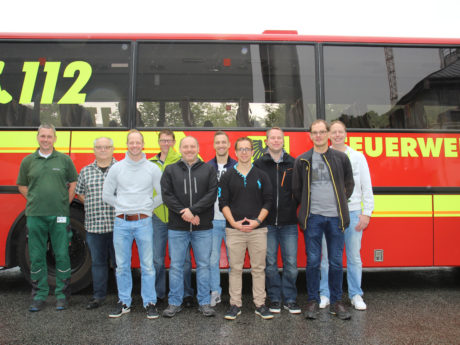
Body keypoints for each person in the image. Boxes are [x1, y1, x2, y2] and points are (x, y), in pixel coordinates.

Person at [292, 119, 354, 320]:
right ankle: (312, 300)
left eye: (321, 132)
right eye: (314, 133)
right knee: (312, 261)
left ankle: (337, 301)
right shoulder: (302, 160)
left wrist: (340, 202)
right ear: (309, 136)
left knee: (336, 262)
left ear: (328, 134)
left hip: (336, 218)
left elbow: (349, 184)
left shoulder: (341, 158)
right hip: (313, 218)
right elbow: (296, 190)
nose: (318, 136)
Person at [17, 123, 78, 312]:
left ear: (55, 139)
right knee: (36, 256)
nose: (45, 139)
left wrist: (63, 204)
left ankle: (62, 296)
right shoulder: (28, 161)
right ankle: (39, 295)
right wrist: (35, 200)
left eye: (49, 136)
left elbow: (74, 184)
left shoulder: (64, 160)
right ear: (37, 137)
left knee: (61, 255)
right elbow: (22, 186)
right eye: (42, 136)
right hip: (35, 216)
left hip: (59, 216)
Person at [103, 129, 162, 319]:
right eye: (131, 142)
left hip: (144, 222)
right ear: (127, 144)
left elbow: (162, 195)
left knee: (147, 265)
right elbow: (106, 195)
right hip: (121, 223)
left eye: (138, 142)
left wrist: (147, 208)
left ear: (143, 144)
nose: (135, 145)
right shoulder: (117, 168)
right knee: (121, 266)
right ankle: (124, 302)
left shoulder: (152, 168)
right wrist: (122, 207)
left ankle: (150, 302)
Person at [319, 120, 374, 311]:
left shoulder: (358, 157)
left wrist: (366, 214)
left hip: (352, 213)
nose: (337, 135)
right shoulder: (322, 157)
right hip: (329, 214)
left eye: (340, 132)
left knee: (353, 257)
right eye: (333, 132)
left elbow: (366, 187)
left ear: (346, 134)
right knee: (326, 258)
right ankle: (324, 294)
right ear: (328, 135)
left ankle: (355, 294)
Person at [160, 136, 218, 318]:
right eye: (186, 147)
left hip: (203, 227)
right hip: (177, 227)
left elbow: (211, 194)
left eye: (193, 146)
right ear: (180, 149)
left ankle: (204, 303)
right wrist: (184, 213)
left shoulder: (209, 169)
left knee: (203, 266)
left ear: (198, 148)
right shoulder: (170, 170)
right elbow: (167, 195)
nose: (189, 150)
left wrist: (192, 211)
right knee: (176, 266)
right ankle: (174, 302)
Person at [219, 137, 274, 320]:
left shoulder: (261, 175)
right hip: (234, 230)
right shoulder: (227, 176)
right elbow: (223, 203)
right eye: (240, 149)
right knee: (235, 268)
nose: (244, 152)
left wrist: (257, 221)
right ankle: (235, 305)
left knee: (258, 268)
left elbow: (268, 201)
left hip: (258, 230)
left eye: (247, 149)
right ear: (235, 152)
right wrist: (233, 223)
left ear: (252, 152)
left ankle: (260, 304)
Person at [254, 127, 300, 314]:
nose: (275, 141)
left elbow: (299, 190)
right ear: (266, 141)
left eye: (278, 138)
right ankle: (274, 298)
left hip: (289, 222)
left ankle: (290, 299)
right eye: (272, 138)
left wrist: (292, 206)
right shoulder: (259, 164)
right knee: (270, 263)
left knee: (291, 263)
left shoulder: (293, 163)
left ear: (283, 140)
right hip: (268, 223)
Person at [150, 129, 194, 308]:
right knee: (157, 259)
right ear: (158, 142)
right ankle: (159, 294)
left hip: (178, 216)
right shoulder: (150, 162)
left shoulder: (182, 160)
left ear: (174, 142)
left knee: (183, 259)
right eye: (163, 140)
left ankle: (187, 294)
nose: (166, 143)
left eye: (169, 140)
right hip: (158, 216)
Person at [75, 137, 116, 310]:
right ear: (94, 150)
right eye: (99, 147)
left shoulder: (121, 169)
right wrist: (93, 205)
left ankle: (123, 298)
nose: (103, 150)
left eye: (106, 147)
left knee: (119, 264)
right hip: (94, 226)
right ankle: (98, 296)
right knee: (98, 263)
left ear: (112, 149)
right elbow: (80, 194)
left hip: (118, 226)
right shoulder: (85, 171)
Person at [207, 131, 236, 306]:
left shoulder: (237, 166)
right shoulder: (206, 167)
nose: (221, 145)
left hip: (231, 221)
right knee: (212, 260)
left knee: (234, 259)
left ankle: (234, 294)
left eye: (224, 142)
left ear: (229, 144)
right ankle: (215, 292)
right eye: (217, 142)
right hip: (212, 221)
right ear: (214, 145)